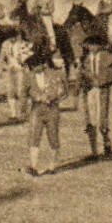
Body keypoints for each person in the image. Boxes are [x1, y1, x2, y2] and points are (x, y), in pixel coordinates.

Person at [22, 48, 66, 177]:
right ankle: (33, 166)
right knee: (34, 137)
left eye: (36, 65)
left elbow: (63, 91)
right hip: (36, 109)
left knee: (53, 137)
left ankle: (52, 166)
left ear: (43, 64)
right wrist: (25, 108)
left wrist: (52, 97)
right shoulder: (28, 77)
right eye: (32, 66)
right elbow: (23, 93)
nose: (34, 68)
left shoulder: (54, 74)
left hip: (52, 108)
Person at [80, 34, 112, 159]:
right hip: (89, 91)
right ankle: (94, 151)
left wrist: (103, 81)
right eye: (89, 45)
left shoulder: (109, 58)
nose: (92, 48)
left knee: (102, 119)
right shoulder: (85, 59)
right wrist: (78, 90)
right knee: (90, 120)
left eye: (95, 45)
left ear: (100, 46)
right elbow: (80, 75)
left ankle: (107, 145)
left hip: (102, 90)